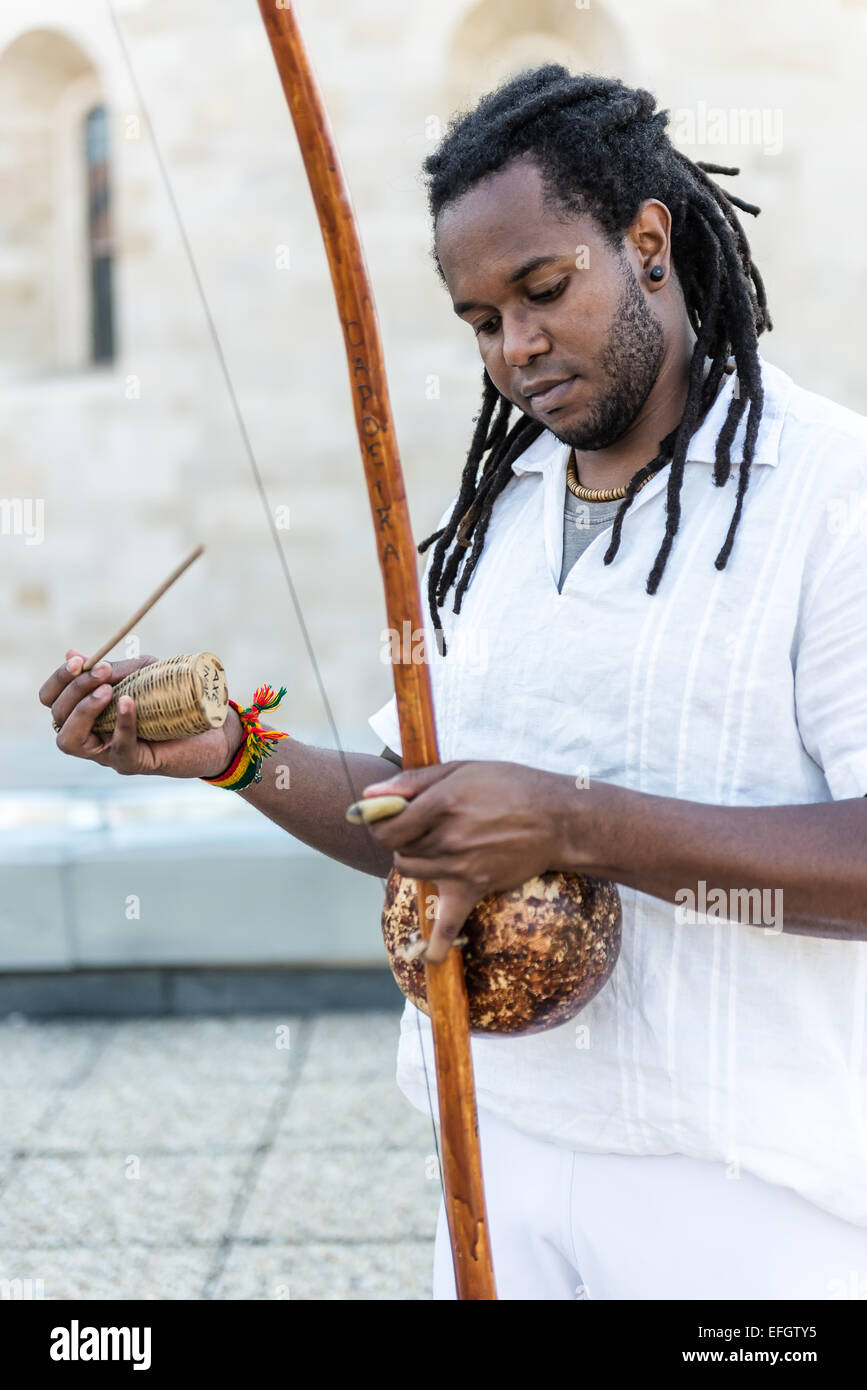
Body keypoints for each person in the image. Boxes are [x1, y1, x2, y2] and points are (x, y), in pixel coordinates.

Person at [40, 68, 867, 1301]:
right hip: (500, 1147)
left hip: (751, 1191)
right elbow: (429, 815)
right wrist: (231, 750)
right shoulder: (497, 523)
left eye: (544, 291)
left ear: (647, 242)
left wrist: (572, 818)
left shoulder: (830, 494)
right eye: (481, 321)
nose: (516, 350)